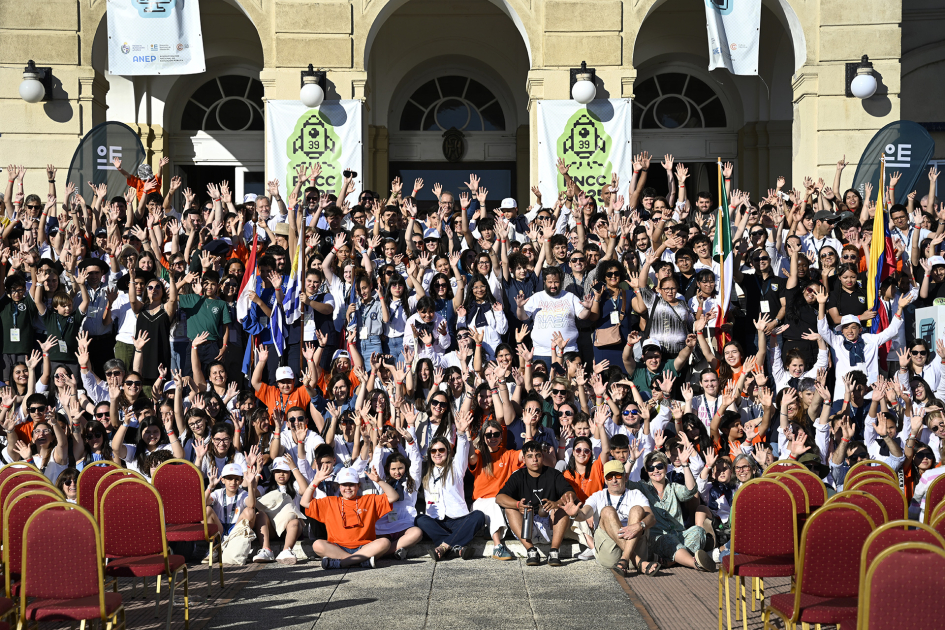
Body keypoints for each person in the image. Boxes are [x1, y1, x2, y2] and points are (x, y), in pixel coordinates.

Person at [562, 459, 658, 576]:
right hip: (611, 554)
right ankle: (636, 561)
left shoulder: (636, 494)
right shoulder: (598, 496)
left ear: (625, 477)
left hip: (634, 542)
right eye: (609, 476)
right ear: (605, 480)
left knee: (637, 509)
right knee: (607, 511)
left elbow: (651, 518)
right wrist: (575, 514)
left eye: (618, 475)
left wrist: (639, 525)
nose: (614, 480)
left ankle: (626, 559)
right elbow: (584, 514)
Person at [414, 412, 486, 562]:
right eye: (433, 451)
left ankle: (444, 547)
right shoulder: (426, 472)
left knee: (478, 516)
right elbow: (413, 456)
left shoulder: (456, 467)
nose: (437, 454)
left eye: (441, 450)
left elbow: (462, 449)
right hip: (437, 520)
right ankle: (457, 547)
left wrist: (460, 432)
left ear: (448, 452)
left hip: (458, 518)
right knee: (420, 519)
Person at [300, 466, 400, 569]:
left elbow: (393, 497)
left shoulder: (369, 500)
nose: (347, 488)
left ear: (358, 486)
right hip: (337, 548)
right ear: (339, 487)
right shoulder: (330, 501)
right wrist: (315, 481)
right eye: (344, 485)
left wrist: (379, 481)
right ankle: (359, 561)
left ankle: (342, 563)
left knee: (384, 542)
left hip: (364, 548)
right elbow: (304, 502)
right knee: (317, 544)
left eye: (351, 484)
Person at [496, 441, 576, 567]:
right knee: (510, 508)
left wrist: (557, 503)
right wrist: (517, 505)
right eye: (530, 456)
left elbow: (571, 494)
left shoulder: (553, 474)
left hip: (552, 527)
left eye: (537, 455)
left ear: (543, 457)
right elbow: (499, 498)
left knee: (563, 507)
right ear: (524, 459)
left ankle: (554, 551)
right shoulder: (518, 476)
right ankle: (531, 551)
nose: (534, 459)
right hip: (526, 529)